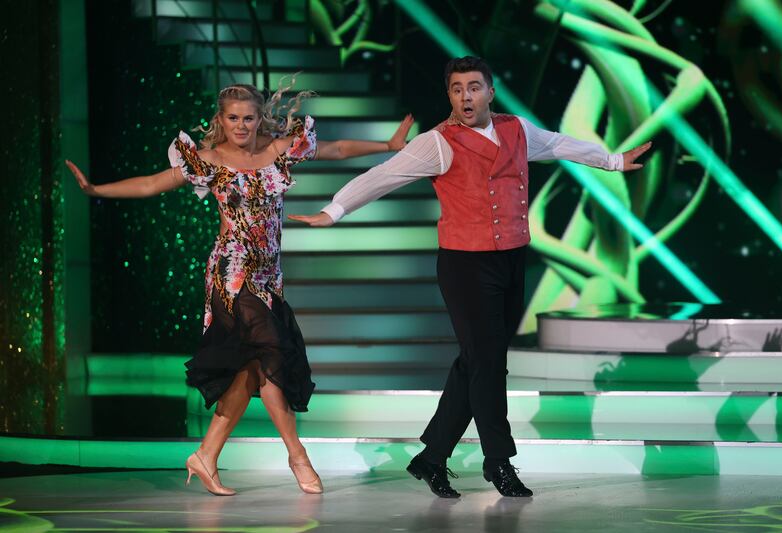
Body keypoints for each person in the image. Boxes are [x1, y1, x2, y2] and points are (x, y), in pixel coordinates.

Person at [289, 57, 651, 498]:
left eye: (474, 87)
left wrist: (613, 161)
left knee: (476, 362)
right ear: (450, 96)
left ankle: (431, 457)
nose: (466, 96)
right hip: (465, 265)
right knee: (489, 365)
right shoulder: (437, 143)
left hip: (512, 258)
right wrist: (334, 210)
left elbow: (559, 145)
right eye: (457, 89)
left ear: (490, 92)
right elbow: (384, 175)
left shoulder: (518, 129)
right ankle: (499, 462)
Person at [66, 83, 414, 496]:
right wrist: (95, 191)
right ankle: (297, 454)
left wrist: (389, 144)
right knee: (271, 352)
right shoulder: (208, 161)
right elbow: (150, 184)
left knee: (251, 370)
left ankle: (207, 455)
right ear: (221, 120)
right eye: (232, 118)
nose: (241, 125)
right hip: (231, 275)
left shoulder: (281, 149)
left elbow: (336, 149)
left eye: (248, 118)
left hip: (269, 277)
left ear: (259, 118)